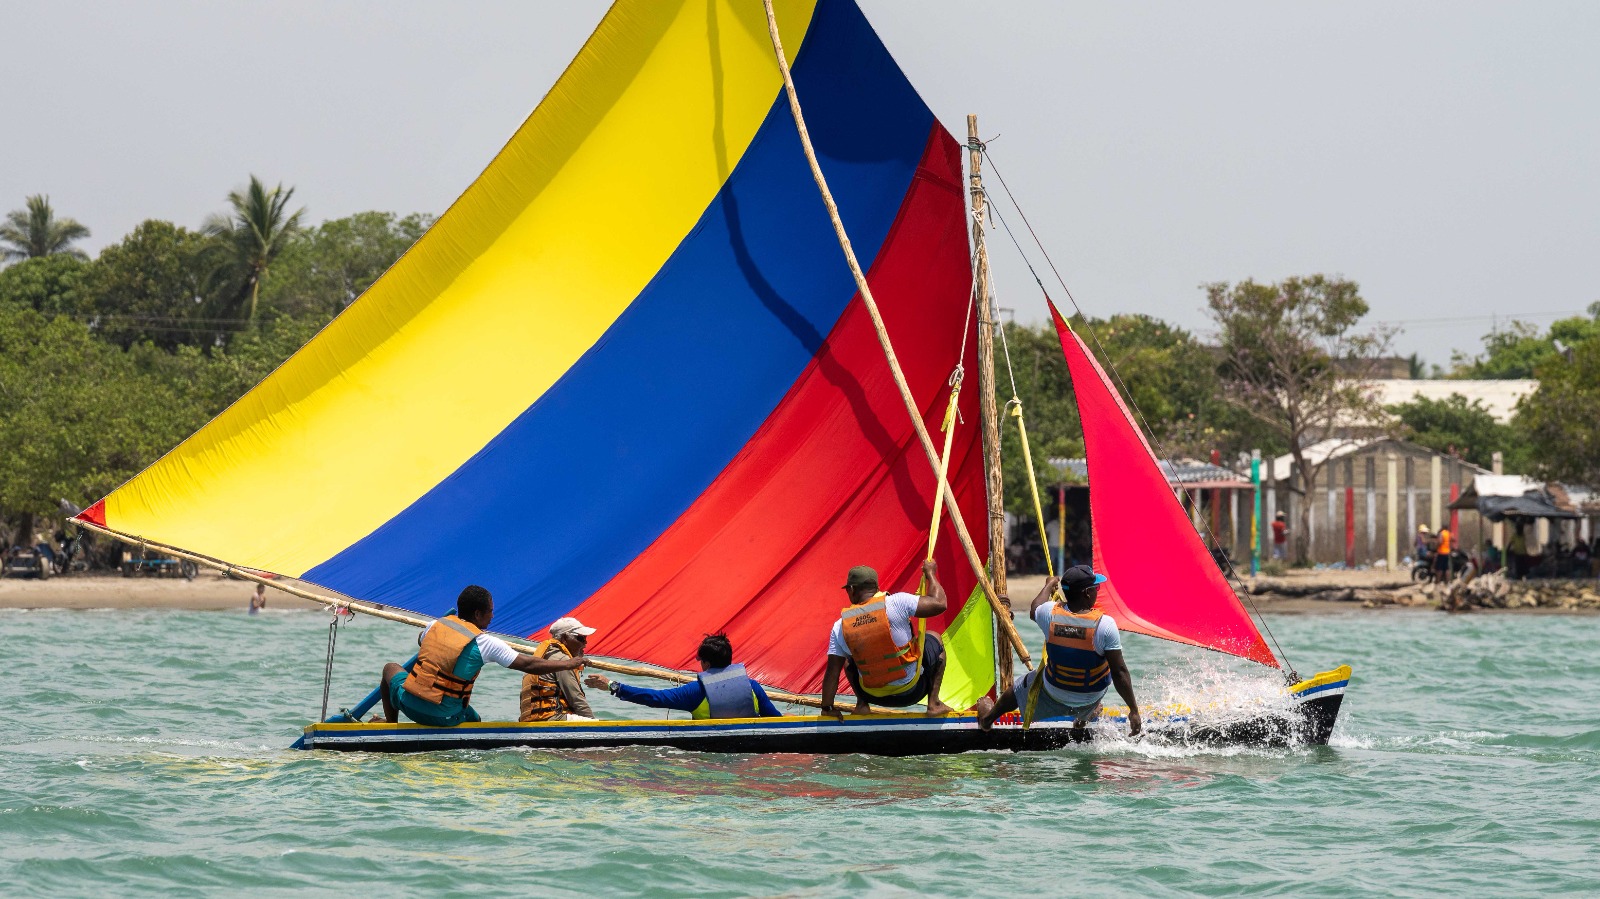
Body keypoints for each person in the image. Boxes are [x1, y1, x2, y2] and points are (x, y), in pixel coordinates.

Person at [378, 585, 581, 727]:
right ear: (477, 614)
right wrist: (568, 663)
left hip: (410, 706)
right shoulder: (486, 642)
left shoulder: (435, 625)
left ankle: (391, 724)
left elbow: (421, 639)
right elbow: (528, 664)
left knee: (390, 668)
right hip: (445, 716)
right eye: (490, 612)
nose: (493, 616)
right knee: (471, 717)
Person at [977, 565, 1142, 738]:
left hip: (1054, 693)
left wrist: (1049, 584)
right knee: (1102, 667)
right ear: (1086, 593)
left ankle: (987, 721)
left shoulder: (1049, 613)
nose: (1097, 592)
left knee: (1020, 686)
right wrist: (1133, 710)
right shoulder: (1105, 625)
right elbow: (1120, 672)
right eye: (1096, 588)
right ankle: (1084, 716)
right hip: (1090, 697)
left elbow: (1035, 608)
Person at [820, 560, 952, 718]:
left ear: (852, 589)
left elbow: (832, 672)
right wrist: (930, 573)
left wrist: (827, 708)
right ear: (876, 587)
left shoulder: (840, 625)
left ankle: (862, 705)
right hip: (911, 692)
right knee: (934, 637)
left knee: (848, 659)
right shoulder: (897, 602)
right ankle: (934, 703)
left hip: (871, 695)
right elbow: (940, 603)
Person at [585, 633, 784, 719]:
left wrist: (612, 685)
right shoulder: (753, 687)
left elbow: (654, 698)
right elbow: (775, 719)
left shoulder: (697, 691)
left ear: (705, 663)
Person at [520, 617, 597, 722]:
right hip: (553, 718)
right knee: (594, 722)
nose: (585, 643)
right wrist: (594, 726)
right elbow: (576, 700)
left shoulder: (543, 657)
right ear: (565, 638)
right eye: (580, 638)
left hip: (536, 719)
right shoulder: (562, 661)